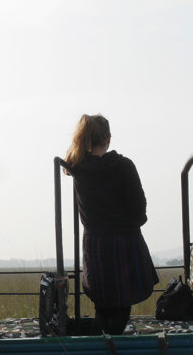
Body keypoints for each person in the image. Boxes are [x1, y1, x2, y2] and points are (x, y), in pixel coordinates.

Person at [64, 114, 156, 335]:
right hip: (124, 243)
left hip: (95, 247)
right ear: (108, 138)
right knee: (120, 311)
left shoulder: (78, 167)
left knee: (103, 309)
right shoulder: (123, 166)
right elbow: (139, 212)